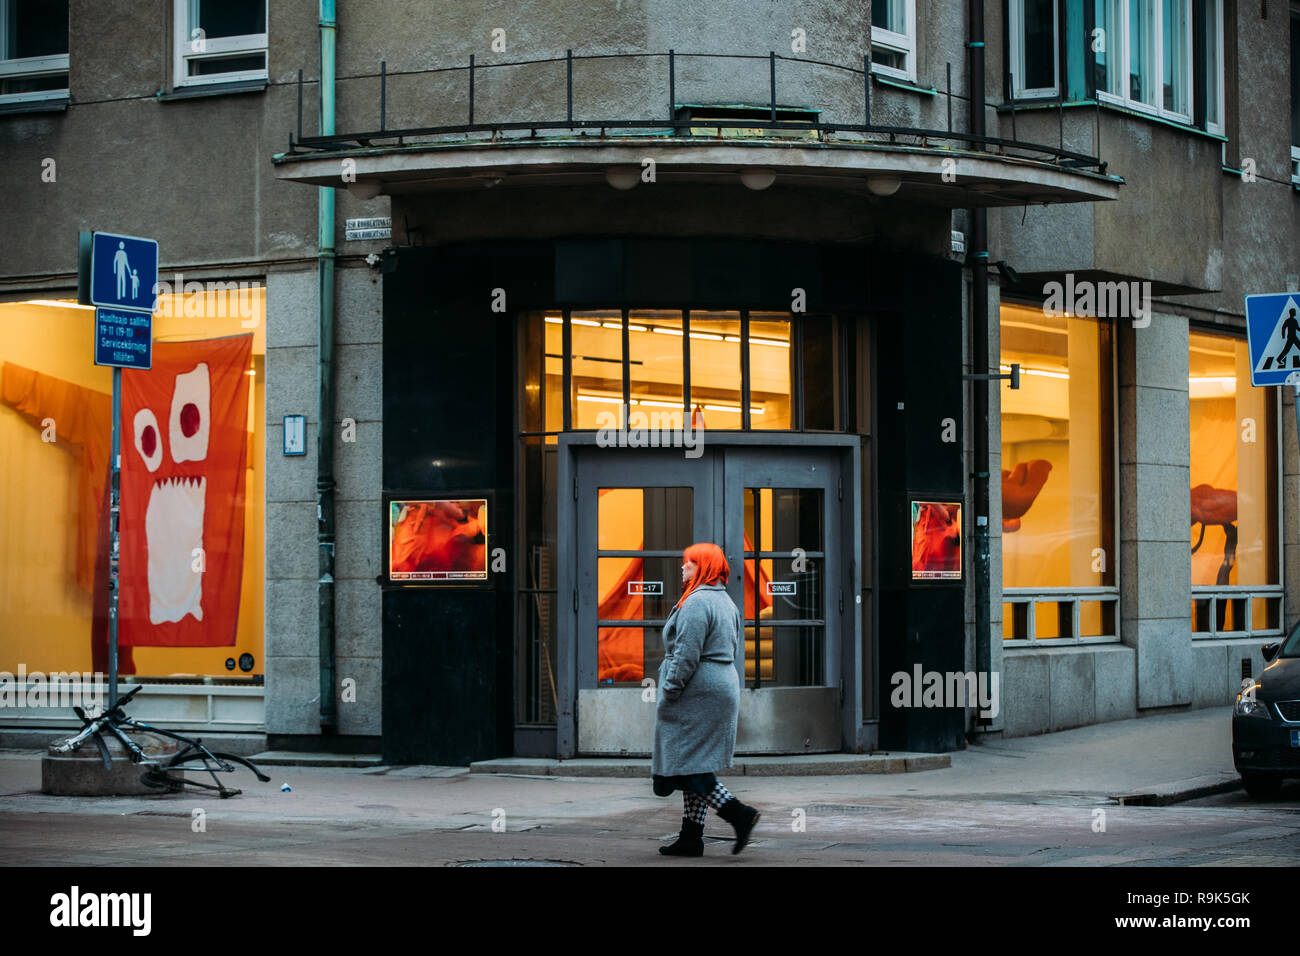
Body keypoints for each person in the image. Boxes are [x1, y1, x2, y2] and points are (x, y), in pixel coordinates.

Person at [653, 542, 761, 856]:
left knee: (687, 765)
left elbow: (686, 656)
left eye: (689, 563)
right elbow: (734, 649)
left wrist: (670, 690)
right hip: (719, 686)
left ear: (703, 567)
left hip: (697, 691)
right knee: (693, 758)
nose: (682, 567)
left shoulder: (698, 603)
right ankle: (691, 836)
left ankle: (739, 814)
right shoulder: (725, 601)